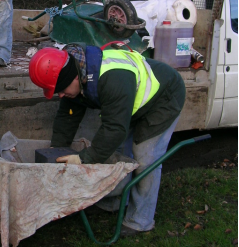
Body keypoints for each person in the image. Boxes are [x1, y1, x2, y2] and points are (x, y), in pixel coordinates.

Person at [28, 43, 186, 235]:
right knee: (118, 153)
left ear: (76, 77)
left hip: (164, 97)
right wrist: (55, 150)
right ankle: (116, 201)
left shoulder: (112, 78)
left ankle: (140, 220)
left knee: (145, 158)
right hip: (131, 99)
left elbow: (114, 129)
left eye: (61, 89)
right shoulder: (77, 71)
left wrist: (83, 158)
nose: (60, 95)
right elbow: (68, 116)